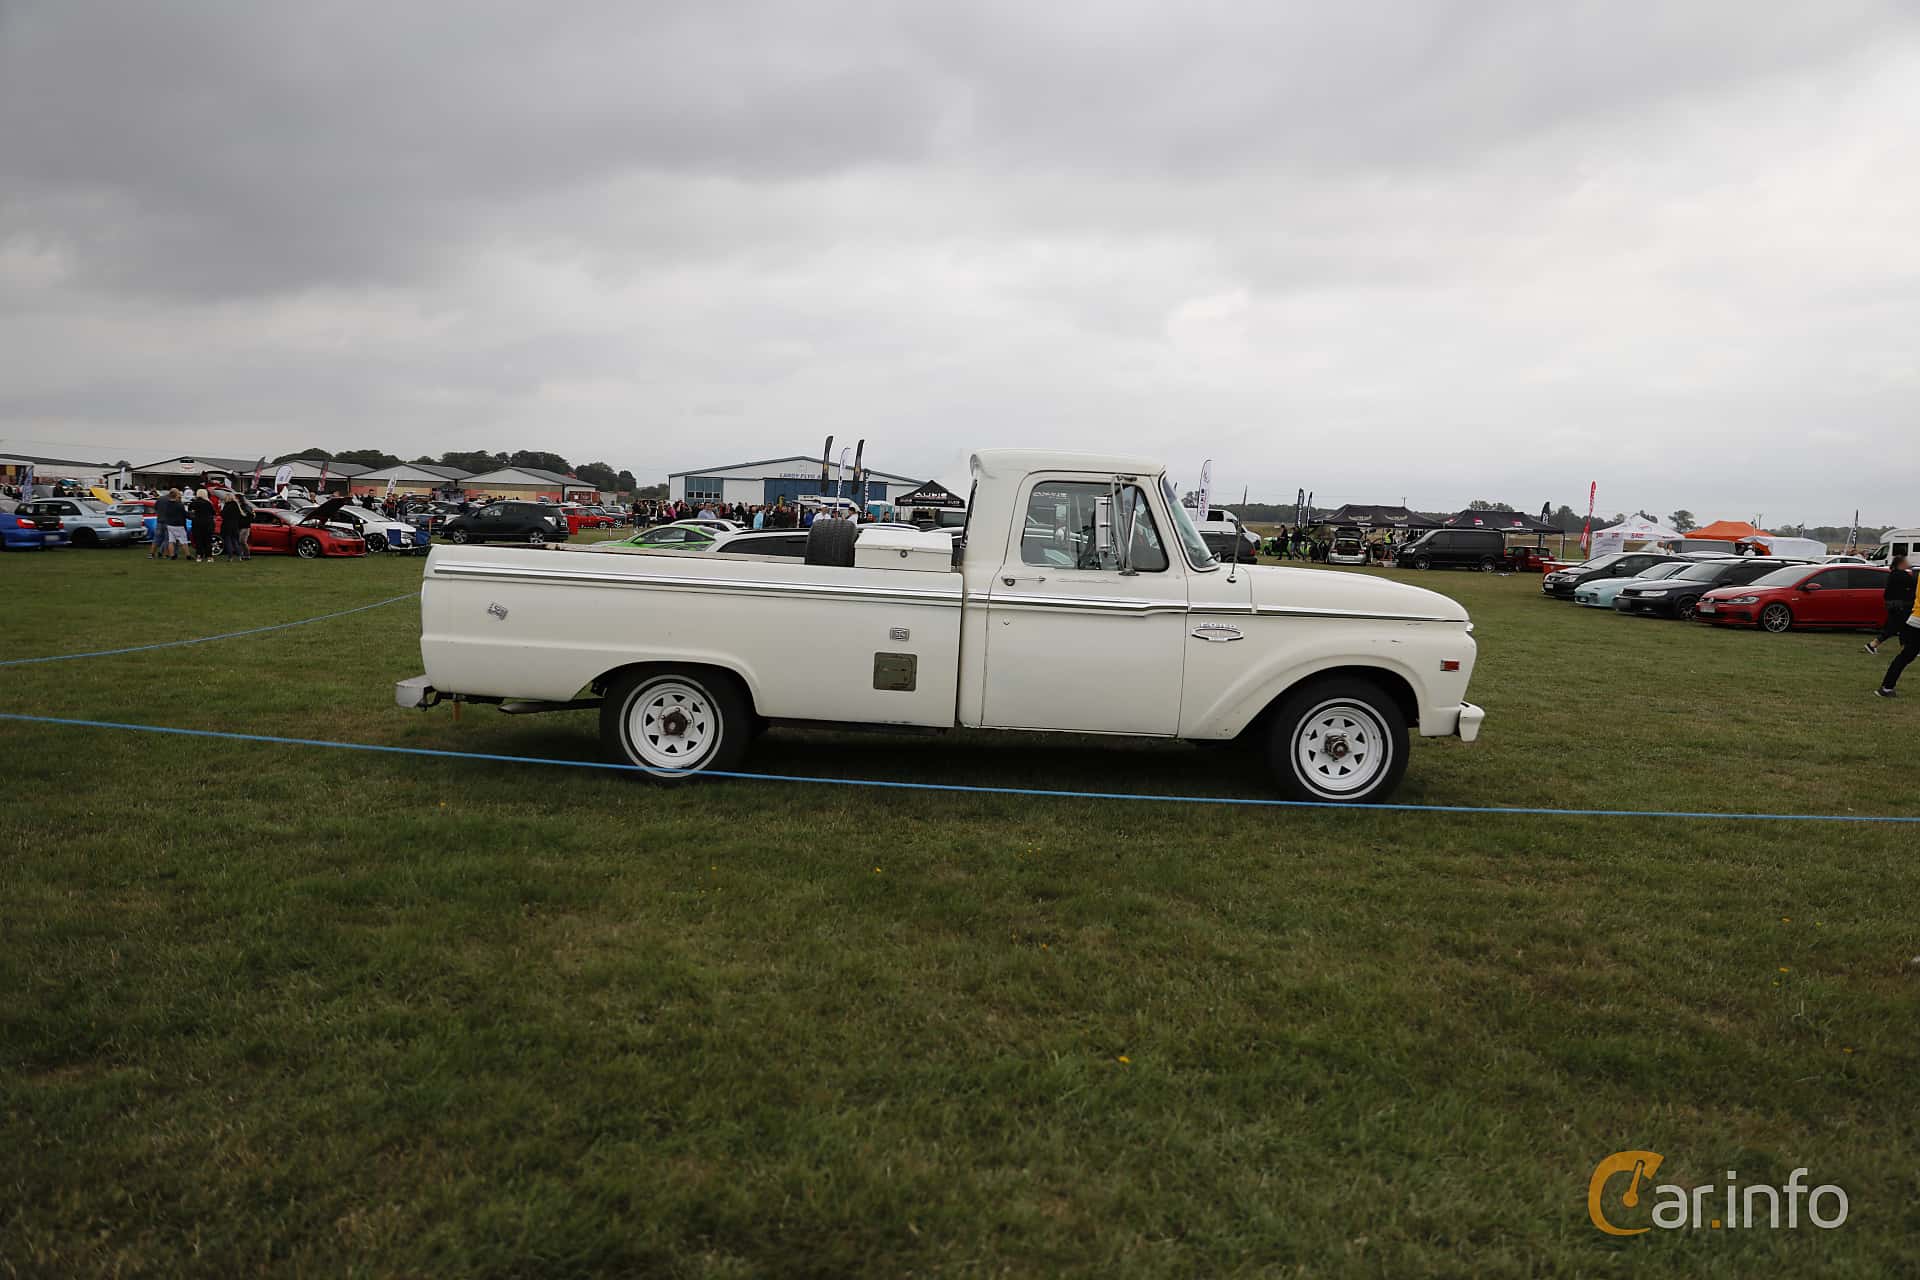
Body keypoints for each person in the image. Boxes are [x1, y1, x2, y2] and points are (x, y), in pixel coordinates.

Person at [1866, 555, 1915, 654]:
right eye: (1905, 562)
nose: (1907, 563)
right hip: (1900, 606)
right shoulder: (1901, 575)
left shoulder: (1894, 574)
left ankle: (1873, 645)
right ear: (1901, 564)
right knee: (1899, 627)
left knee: (1897, 627)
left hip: (1894, 605)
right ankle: (1872, 645)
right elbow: (1913, 585)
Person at [1876, 596, 1920, 697]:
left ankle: (1887, 687)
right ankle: (1886, 687)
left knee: (1906, 656)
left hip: (1915, 619)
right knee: (1907, 655)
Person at [155, 488, 188, 560]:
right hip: (177, 524)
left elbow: (157, 508)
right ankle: (186, 555)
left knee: (170, 540)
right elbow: (184, 514)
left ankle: (170, 554)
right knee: (182, 540)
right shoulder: (179, 504)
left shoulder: (166, 503)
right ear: (176, 495)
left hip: (168, 523)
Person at [188, 488, 217, 562]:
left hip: (197, 523)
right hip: (208, 523)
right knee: (208, 540)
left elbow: (190, 513)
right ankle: (209, 557)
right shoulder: (208, 503)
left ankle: (199, 556)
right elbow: (213, 513)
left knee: (198, 540)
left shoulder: (193, 503)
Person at [221, 491, 248, 562]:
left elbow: (223, 515)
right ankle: (240, 555)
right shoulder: (236, 505)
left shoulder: (227, 506)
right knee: (235, 541)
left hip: (227, 526)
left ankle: (230, 557)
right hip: (235, 526)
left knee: (228, 541)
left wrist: (222, 508)